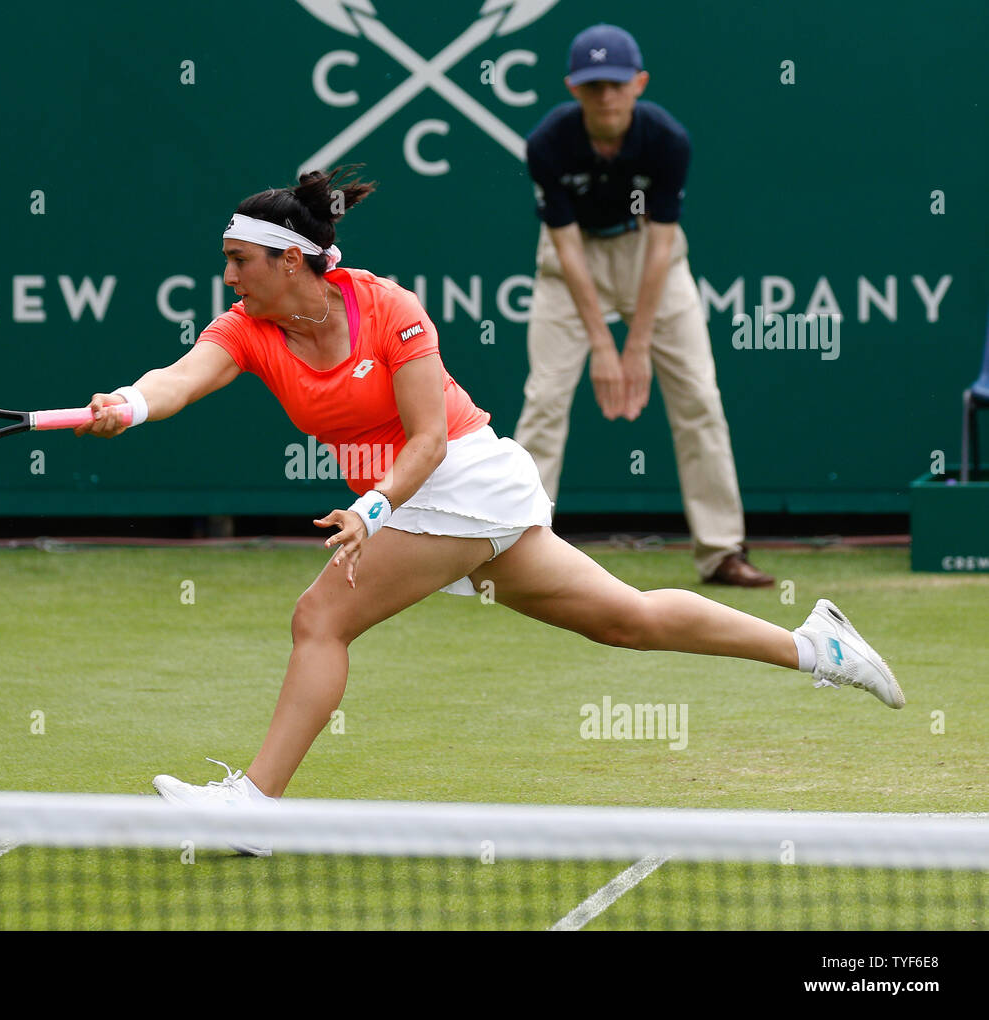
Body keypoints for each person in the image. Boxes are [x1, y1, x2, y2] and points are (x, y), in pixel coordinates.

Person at [76, 168, 902, 854]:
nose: (228, 278)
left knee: (319, 619)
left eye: (239, 261)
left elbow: (430, 440)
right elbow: (178, 379)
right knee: (626, 619)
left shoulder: (389, 309)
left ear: (291, 263)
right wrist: (128, 404)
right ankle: (817, 645)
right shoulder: (248, 327)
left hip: (460, 480)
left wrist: (372, 508)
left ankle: (256, 806)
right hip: (429, 499)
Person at [514, 24, 773, 588]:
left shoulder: (667, 139)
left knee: (699, 396)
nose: (605, 95)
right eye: (592, 84)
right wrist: (603, 345)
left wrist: (636, 345)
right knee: (546, 399)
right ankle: (516, 549)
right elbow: (565, 245)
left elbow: (661, 243)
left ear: (640, 83)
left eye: (616, 83)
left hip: (650, 258)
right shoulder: (548, 143)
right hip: (573, 261)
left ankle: (722, 550)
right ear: (572, 89)